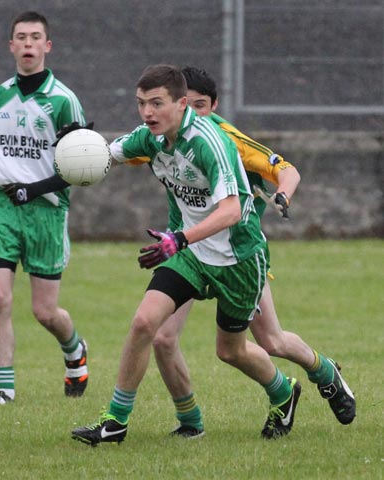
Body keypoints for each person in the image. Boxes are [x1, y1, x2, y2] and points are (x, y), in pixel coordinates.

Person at [71, 64, 301, 446]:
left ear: (182, 105)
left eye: (157, 103)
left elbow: (231, 211)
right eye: (141, 103)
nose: (147, 112)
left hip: (238, 257)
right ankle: (115, 421)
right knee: (145, 324)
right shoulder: (150, 137)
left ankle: (283, 392)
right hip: (191, 253)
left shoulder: (211, 142)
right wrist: (76, 151)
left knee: (231, 351)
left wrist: (178, 238)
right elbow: (108, 155)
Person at [150, 66, 356, 438]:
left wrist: (283, 195)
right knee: (162, 338)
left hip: (237, 256)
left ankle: (323, 373)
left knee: (268, 341)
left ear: (214, 105)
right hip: (190, 252)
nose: (194, 114)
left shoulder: (228, 140)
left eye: (202, 106)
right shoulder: (165, 135)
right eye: (187, 106)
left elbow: (286, 170)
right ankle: (191, 423)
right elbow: (119, 154)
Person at [0, 11, 89, 404]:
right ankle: (4, 390)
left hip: (47, 212)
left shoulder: (64, 101)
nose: (27, 43)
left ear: (46, 46)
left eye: (35, 37)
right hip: (2, 207)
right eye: (20, 37)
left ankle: (75, 350)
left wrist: (34, 189)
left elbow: (80, 166)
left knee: (45, 312)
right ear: (11, 46)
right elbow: (0, 142)